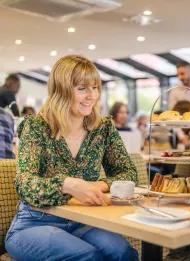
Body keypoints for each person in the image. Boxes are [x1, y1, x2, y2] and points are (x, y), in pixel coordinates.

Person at [5, 55, 138, 261]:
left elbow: (128, 173)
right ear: (62, 90)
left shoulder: (103, 128)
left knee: (123, 254)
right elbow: (25, 184)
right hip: (35, 223)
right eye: (82, 88)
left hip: (85, 220)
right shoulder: (36, 127)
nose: (91, 96)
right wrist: (69, 185)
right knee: (88, 256)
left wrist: (98, 185)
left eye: (95, 88)